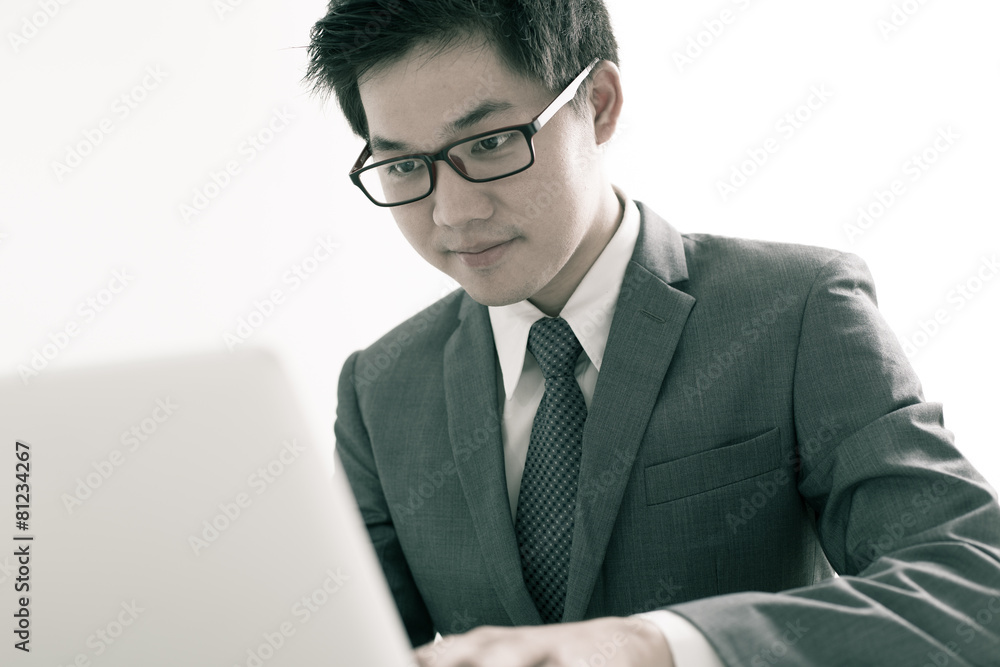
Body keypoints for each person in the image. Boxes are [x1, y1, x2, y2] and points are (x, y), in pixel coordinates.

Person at [305, 1, 1000, 665]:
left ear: (599, 104)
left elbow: (975, 588)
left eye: (489, 144)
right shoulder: (380, 389)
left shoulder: (796, 310)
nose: (451, 212)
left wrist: (661, 648)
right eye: (402, 166)